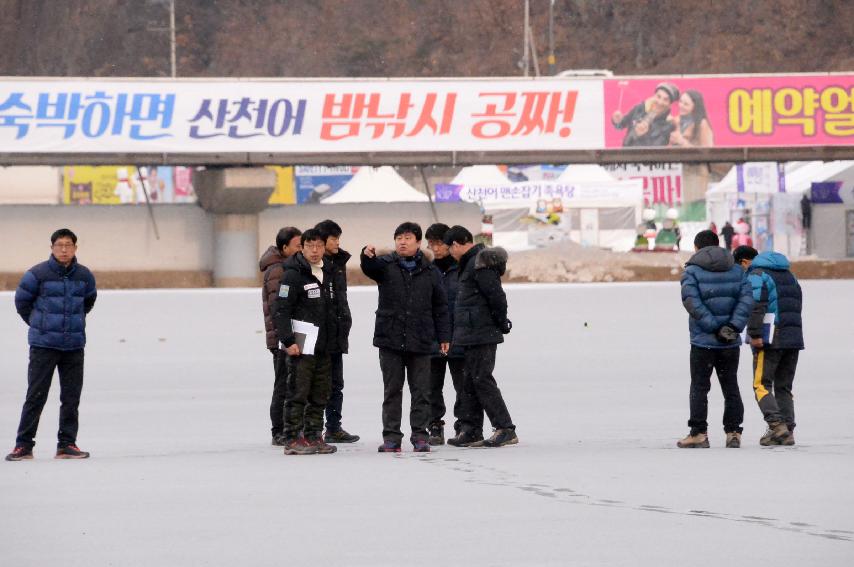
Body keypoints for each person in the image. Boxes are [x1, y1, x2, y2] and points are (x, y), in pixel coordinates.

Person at [6, 229, 97, 461]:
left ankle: (67, 444)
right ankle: (23, 445)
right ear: (52, 248)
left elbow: (88, 301)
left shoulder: (84, 276)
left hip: (74, 346)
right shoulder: (37, 274)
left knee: (71, 397)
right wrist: (41, 324)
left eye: (68, 245)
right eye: (59, 245)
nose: (64, 250)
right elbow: (22, 303)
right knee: (35, 395)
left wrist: (71, 324)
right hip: (44, 345)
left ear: (76, 248)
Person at [361, 222, 451, 453]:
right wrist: (366, 254)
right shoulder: (386, 265)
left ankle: (420, 436)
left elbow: (440, 306)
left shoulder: (430, 271)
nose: (402, 241)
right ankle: (391, 437)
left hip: (421, 338)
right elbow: (369, 268)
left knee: (421, 391)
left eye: (407, 238)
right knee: (392, 390)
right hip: (390, 338)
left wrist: (444, 336)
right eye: (398, 237)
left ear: (418, 243)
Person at [443, 226, 518, 448]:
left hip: (482, 332)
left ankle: (505, 427)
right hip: (469, 332)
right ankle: (471, 429)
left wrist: (500, 322)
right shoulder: (468, 263)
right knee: (469, 382)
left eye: (449, 248)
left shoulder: (479, 262)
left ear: (456, 244)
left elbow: (496, 296)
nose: (449, 253)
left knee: (482, 379)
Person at [677, 230, 753, 449]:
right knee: (731, 385)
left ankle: (699, 433)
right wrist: (732, 327)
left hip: (703, 341)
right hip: (730, 342)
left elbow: (691, 302)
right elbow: (747, 300)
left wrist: (714, 327)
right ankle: (733, 432)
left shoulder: (692, 272)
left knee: (700, 387)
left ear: (696, 248)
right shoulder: (737, 270)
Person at [273, 229, 340, 456]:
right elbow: (281, 309)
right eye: (309, 245)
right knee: (297, 392)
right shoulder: (292, 274)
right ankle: (292, 437)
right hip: (301, 343)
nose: (314, 250)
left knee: (320, 393)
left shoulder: (329, 271)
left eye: (319, 246)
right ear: (302, 247)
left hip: (323, 344)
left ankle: (313, 435)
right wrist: (288, 340)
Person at [733, 246, 804, 446]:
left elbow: (755, 305)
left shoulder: (757, 275)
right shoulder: (790, 275)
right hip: (793, 337)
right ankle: (787, 431)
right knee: (783, 387)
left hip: (771, 338)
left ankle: (776, 425)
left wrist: (755, 334)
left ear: (745, 262)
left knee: (761, 385)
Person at [314, 219, 359, 444]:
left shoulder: (338, 264)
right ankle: (312, 429)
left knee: (336, 384)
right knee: (317, 384)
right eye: (334, 239)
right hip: (318, 334)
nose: (338, 243)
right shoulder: (314, 266)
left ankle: (333, 427)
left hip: (337, 332)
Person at [424, 223, 467, 445]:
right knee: (431, 386)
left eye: (438, 243)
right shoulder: (427, 268)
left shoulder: (461, 268)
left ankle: (463, 424)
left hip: (459, 336)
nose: (434, 248)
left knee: (463, 385)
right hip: (432, 337)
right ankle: (434, 425)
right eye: (430, 243)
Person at [259, 226, 302, 446]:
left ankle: (291, 428)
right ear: (284, 248)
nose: (302, 249)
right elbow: (279, 308)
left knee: (293, 383)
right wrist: (285, 338)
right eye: (298, 246)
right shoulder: (278, 271)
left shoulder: (291, 268)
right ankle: (278, 430)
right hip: (282, 338)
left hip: (293, 335)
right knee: (283, 385)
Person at [611, 82, 679, 147]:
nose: (660, 102)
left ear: (670, 104)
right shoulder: (639, 108)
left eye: (666, 100)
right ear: (654, 95)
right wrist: (616, 121)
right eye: (658, 96)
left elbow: (653, 153)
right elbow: (620, 125)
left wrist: (639, 135)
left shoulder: (669, 125)